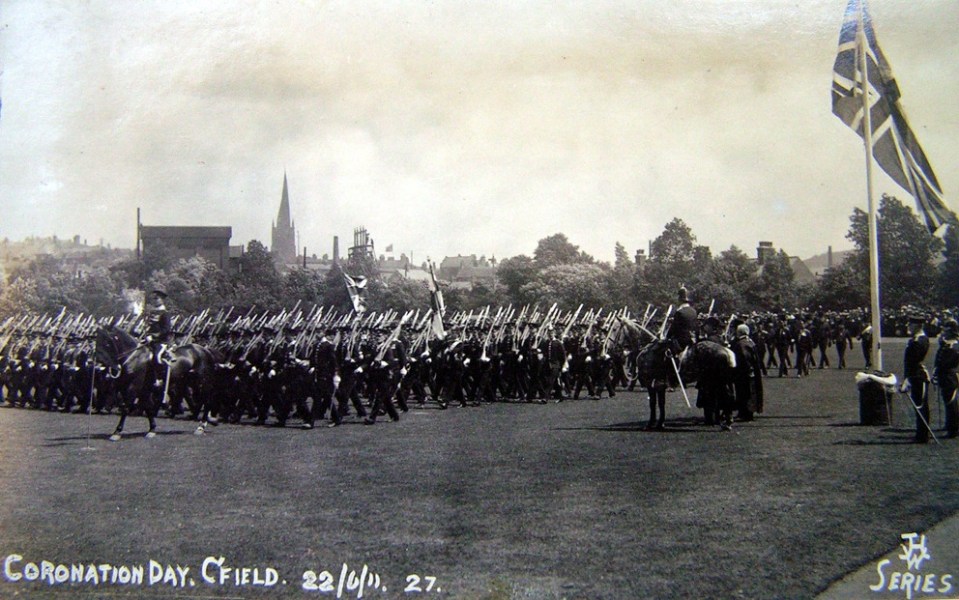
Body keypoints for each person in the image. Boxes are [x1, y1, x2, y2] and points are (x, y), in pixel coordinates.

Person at [900, 314, 931, 443]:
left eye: (911, 325)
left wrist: (907, 378)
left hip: (917, 375)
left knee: (920, 405)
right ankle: (921, 432)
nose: (909, 327)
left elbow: (912, 362)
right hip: (915, 374)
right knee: (918, 404)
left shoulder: (919, 341)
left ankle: (923, 434)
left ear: (918, 326)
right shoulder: (915, 340)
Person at [731, 323, 763, 422]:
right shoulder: (750, 342)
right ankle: (745, 412)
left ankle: (746, 413)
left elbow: (744, 359)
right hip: (752, 372)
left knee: (744, 393)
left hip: (744, 373)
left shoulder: (741, 344)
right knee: (750, 393)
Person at [933, 319, 959, 439]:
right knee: (947, 401)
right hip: (945, 375)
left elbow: (947, 361)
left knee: (951, 402)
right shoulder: (947, 344)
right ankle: (950, 424)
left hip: (950, 375)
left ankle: (953, 428)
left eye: (946, 330)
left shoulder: (954, 345)